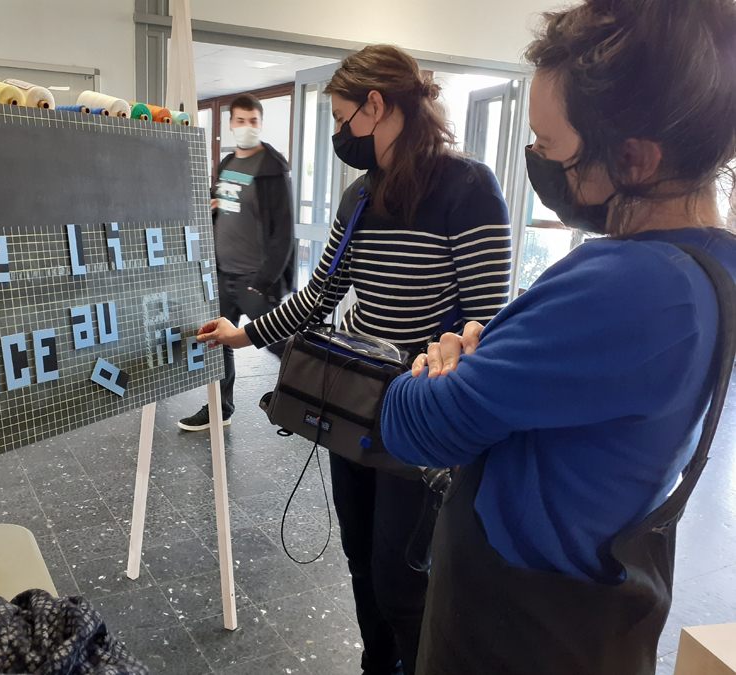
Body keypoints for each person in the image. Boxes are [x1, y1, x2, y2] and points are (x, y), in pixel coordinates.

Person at [380, 1, 736, 673]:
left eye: (547, 145)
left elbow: (414, 427)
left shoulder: (632, 283)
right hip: (594, 603)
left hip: (513, 628)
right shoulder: (715, 266)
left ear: (633, 157)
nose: (536, 159)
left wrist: (431, 370)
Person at [197, 46, 512, 675]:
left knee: (402, 574)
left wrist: (448, 373)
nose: (341, 134)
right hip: (355, 404)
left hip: (421, 414)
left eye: (343, 120)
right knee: (360, 557)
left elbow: (487, 322)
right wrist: (245, 336)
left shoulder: (469, 188)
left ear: (377, 105)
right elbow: (320, 297)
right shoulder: (360, 196)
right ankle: (377, 666)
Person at [178, 94, 294, 432]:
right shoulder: (227, 164)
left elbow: (283, 231)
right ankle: (220, 408)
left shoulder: (273, 169)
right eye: (241, 120)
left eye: (253, 121)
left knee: (278, 342)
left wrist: (264, 279)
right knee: (218, 343)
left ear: (261, 123)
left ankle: (307, 399)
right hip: (221, 273)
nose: (247, 127)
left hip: (254, 278)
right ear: (230, 124)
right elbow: (223, 206)